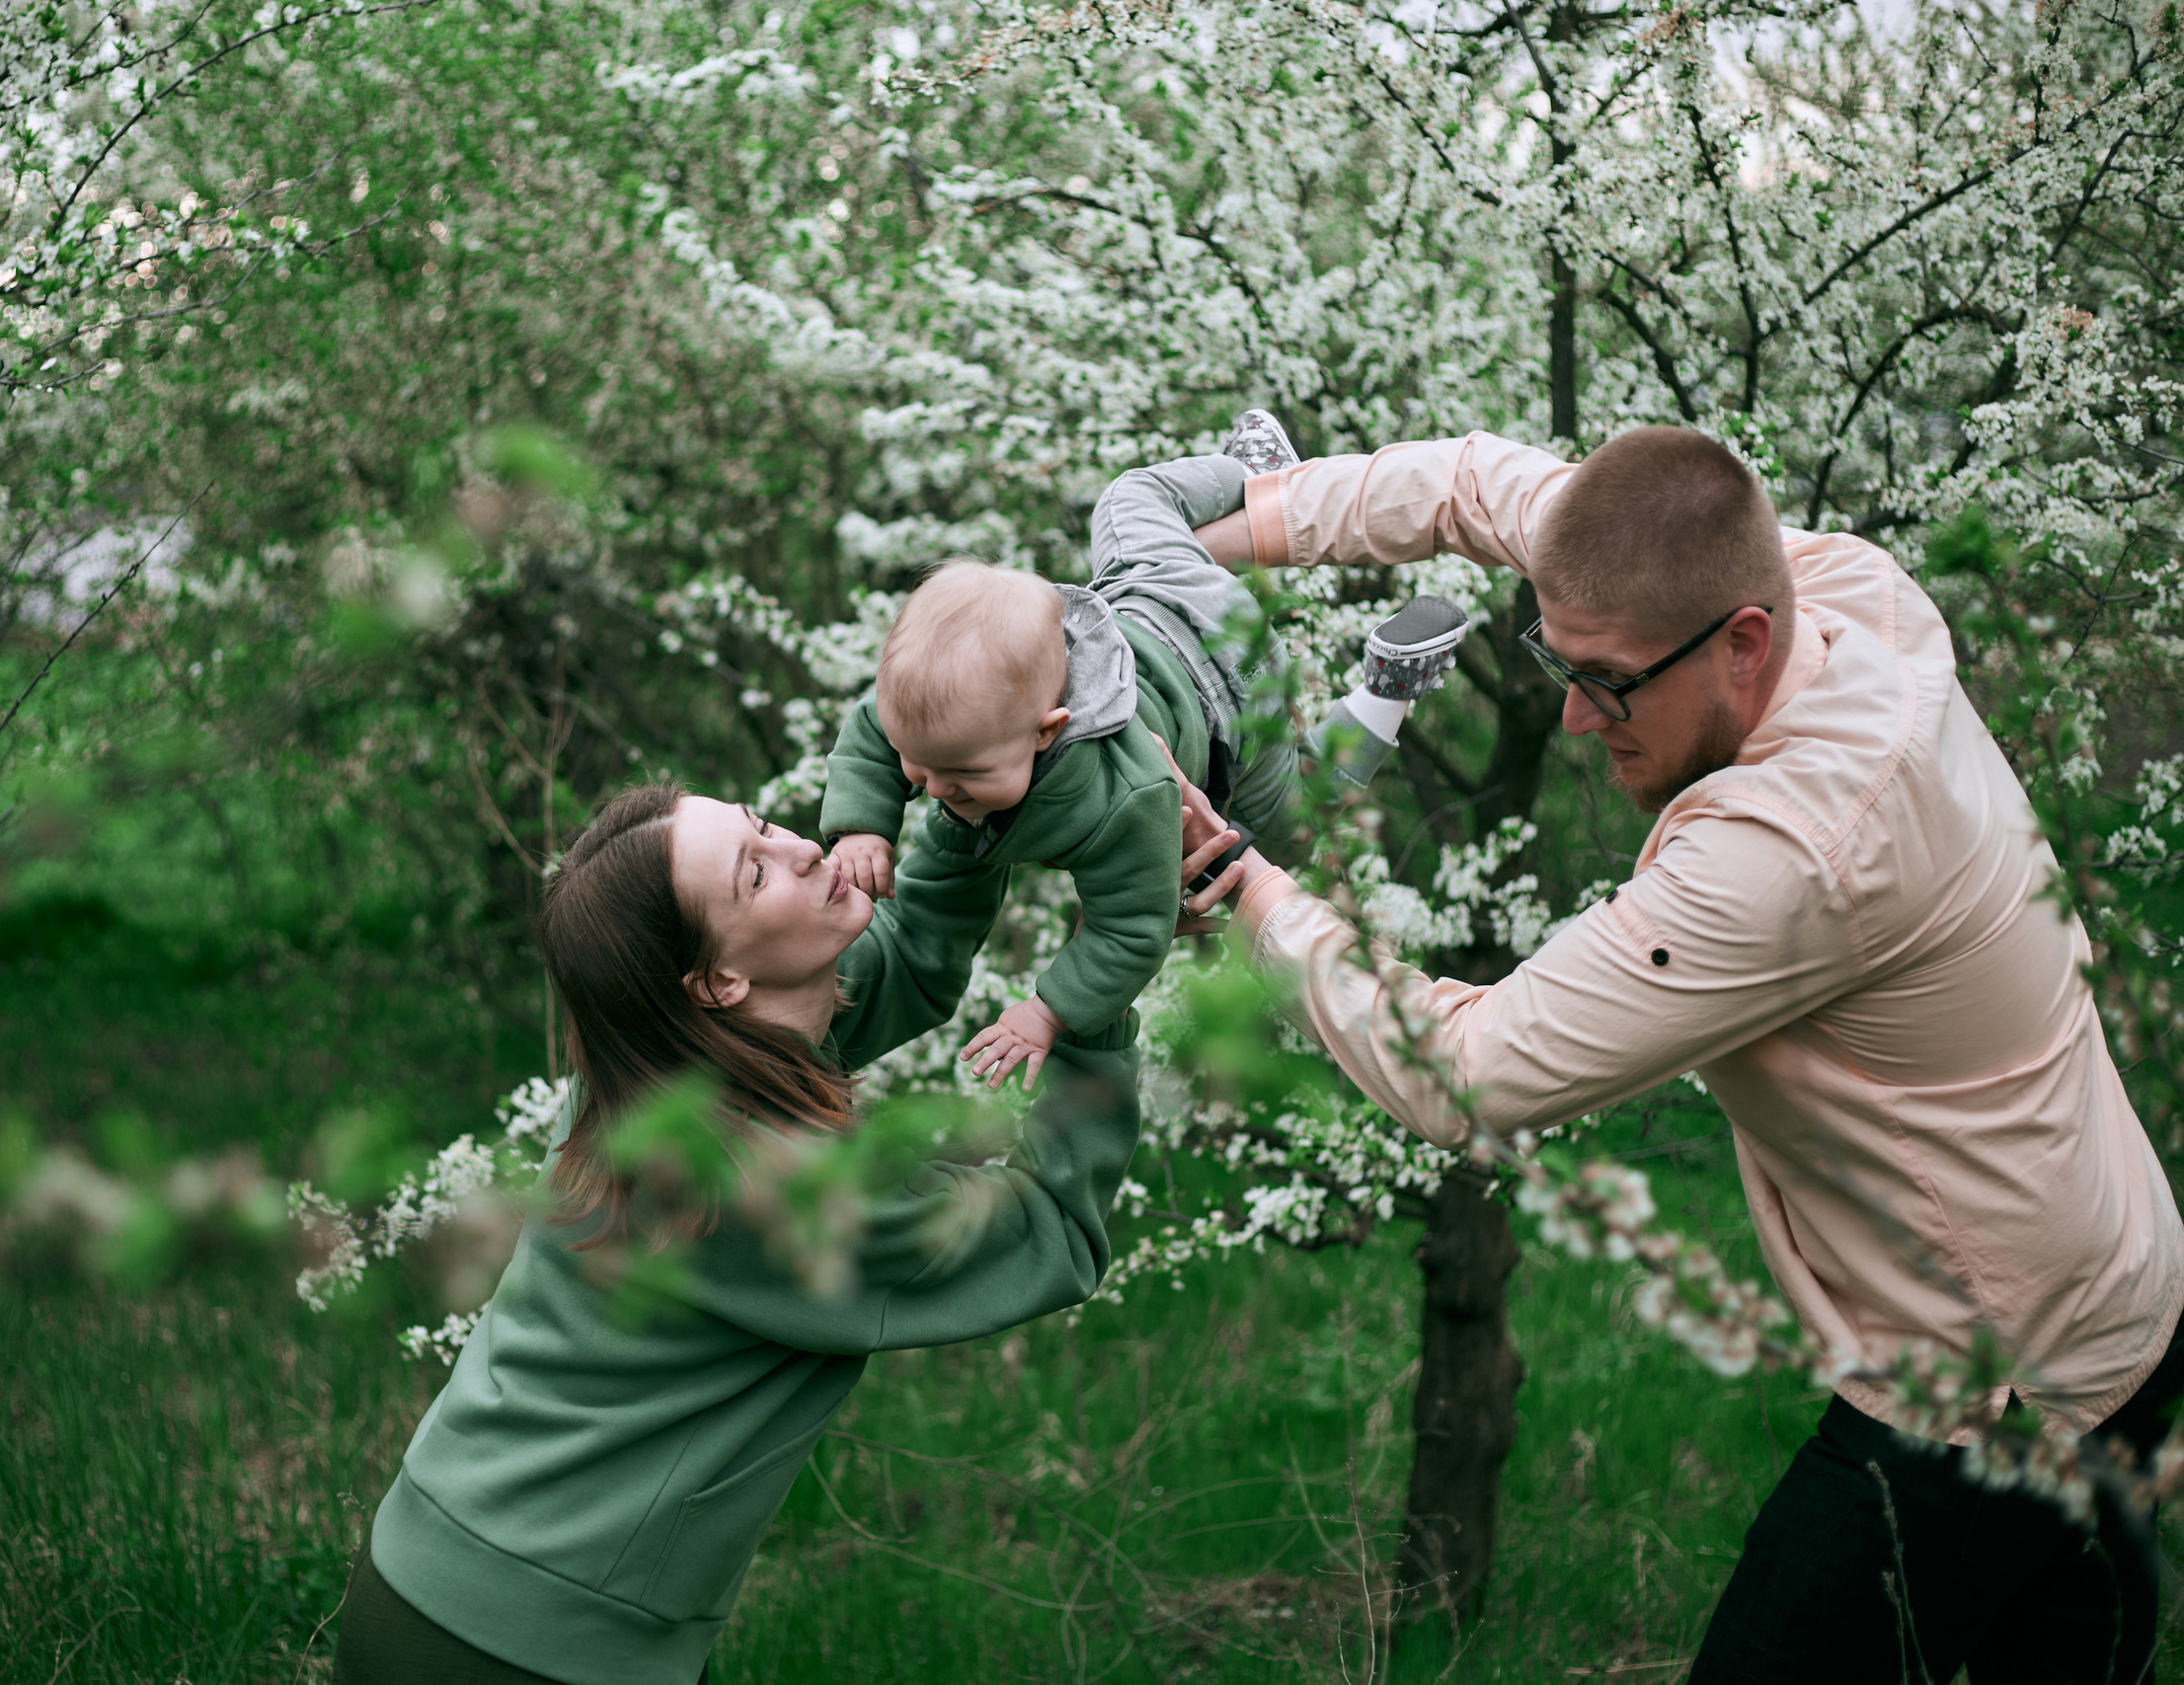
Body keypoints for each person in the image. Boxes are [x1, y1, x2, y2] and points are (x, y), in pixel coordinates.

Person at [1172, 424, 2184, 1681]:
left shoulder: (1795, 851)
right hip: (2125, 1274)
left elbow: (1472, 1073)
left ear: (1740, 645)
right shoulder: (1836, 592)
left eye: (1604, 681)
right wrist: (1197, 533)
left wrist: (1243, 883)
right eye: (1557, 658)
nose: (1572, 715)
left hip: (2003, 1390)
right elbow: (1471, 482)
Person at [335, 783, 1164, 1685]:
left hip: (448, 1572)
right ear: (719, 979)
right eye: (756, 870)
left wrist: (975, 796)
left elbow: (917, 951)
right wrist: (1101, 987)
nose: (805, 849)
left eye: (765, 826)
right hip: (518, 1642)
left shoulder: (662, 1061)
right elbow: (1051, 1229)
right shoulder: (768, 1190)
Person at [824, 414, 1446, 1086]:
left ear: (1049, 727)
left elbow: (1133, 926)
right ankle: (1249, 478)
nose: (935, 789)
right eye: (919, 767)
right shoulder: (950, 714)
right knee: (1129, 502)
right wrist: (862, 824)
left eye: (965, 775)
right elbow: (872, 732)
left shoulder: (1124, 796)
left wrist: (1049, 1009)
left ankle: (1383, 688)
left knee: (1283, 827)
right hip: (1156, 590)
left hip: (1239, 690)